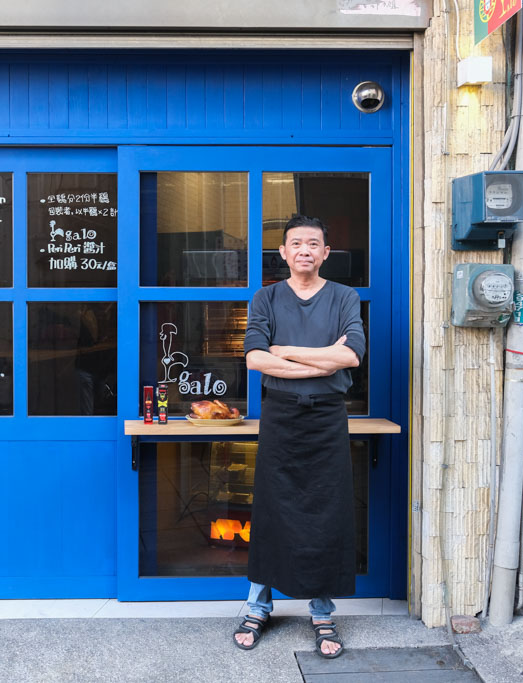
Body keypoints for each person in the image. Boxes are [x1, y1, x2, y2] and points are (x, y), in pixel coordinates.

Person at [233, 215, 365, 659]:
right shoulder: (266, 297)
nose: (305, 249)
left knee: (325, 513)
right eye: (296, 243)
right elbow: (254, 360)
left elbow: (350, 355)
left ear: (325, 253)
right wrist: (322, 362)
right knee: (271, 511)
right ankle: (257, 606)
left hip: (328, 419)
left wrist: (286, 350)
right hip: (282, 417)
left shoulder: (344, 297)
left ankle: (322, 612)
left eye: (313, 243)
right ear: (284, 253)